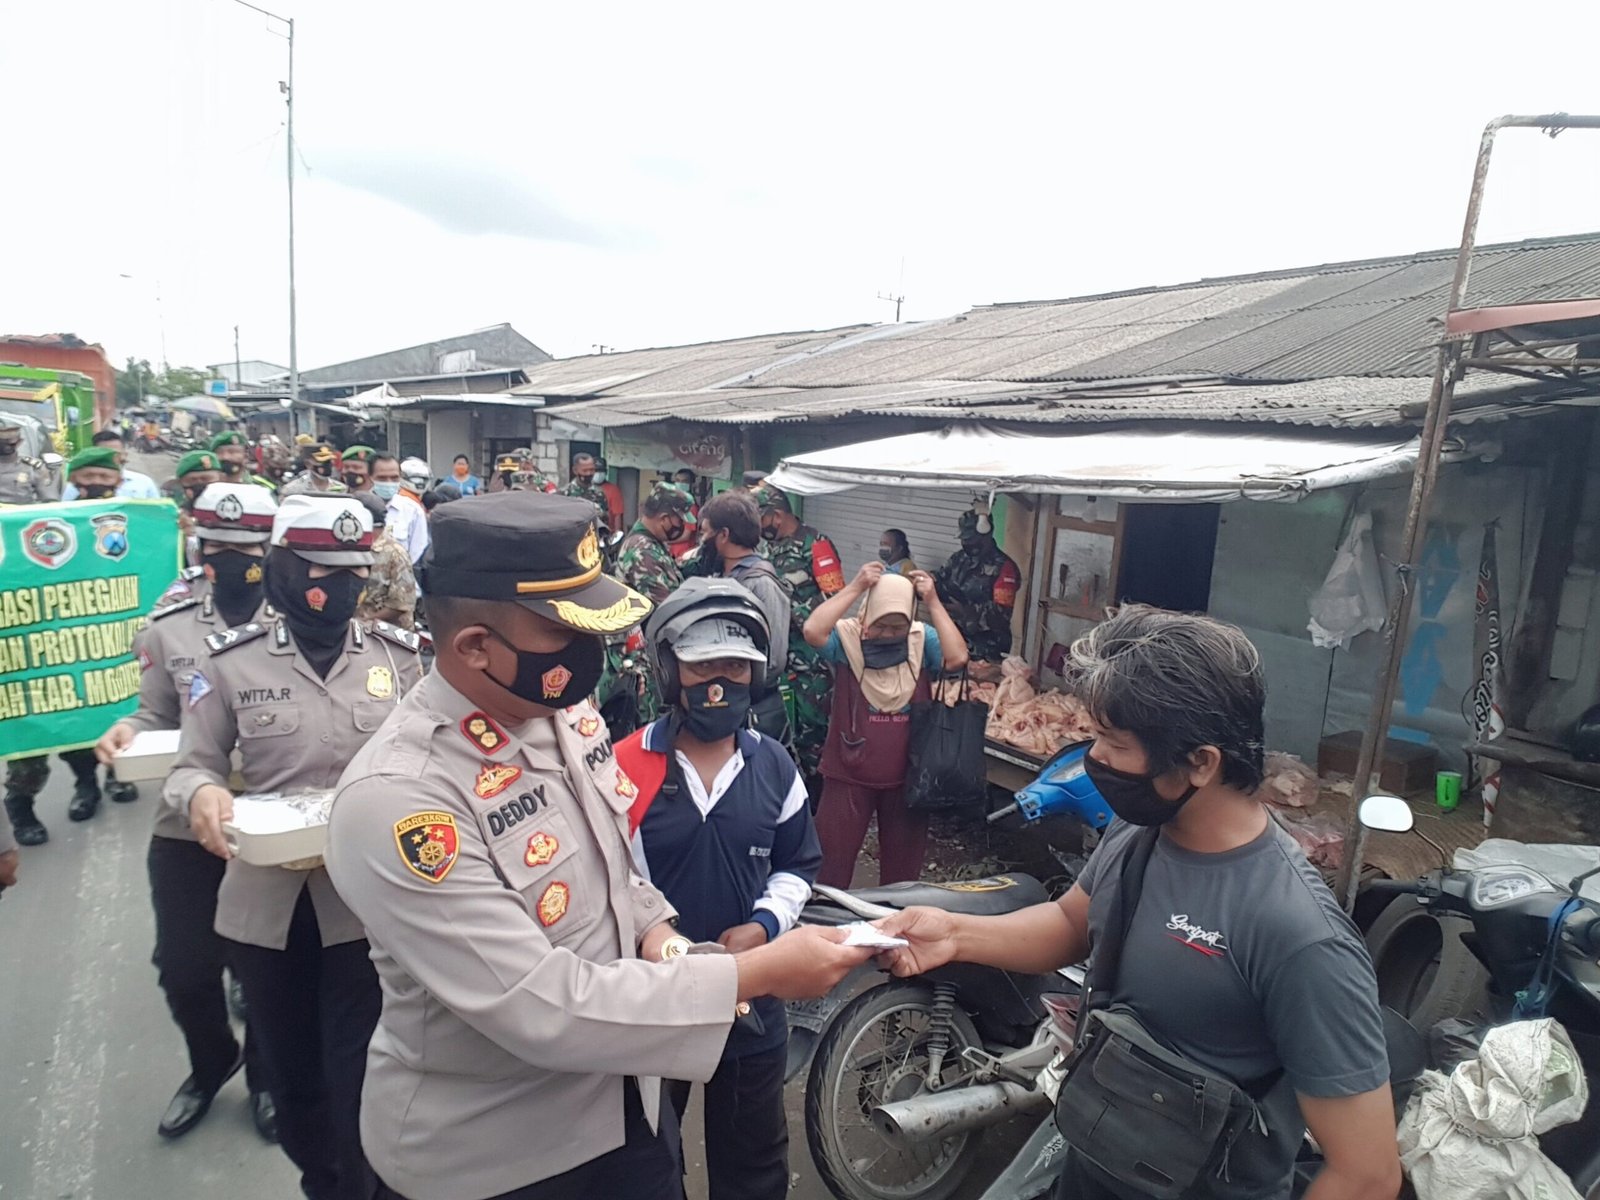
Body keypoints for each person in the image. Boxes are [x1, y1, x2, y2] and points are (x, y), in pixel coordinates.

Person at [323, 492, 872, 1200]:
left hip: (629, 1103)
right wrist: (754, 975)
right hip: (501, 1158)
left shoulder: (562, 712)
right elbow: (538, 1003)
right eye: (566, 632)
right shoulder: (403, 800)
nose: (595, 655)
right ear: (474, 647)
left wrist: (664, 937)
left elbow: (615, 869)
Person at [876, 606, 1399, 1200]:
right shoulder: (1140, 828)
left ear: (1200, 763)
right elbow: (1071, 921)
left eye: (1112, 742)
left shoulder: (1299, 933)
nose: (1091, 758)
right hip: (1092, 1156)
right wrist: (953, 935)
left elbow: (1367, 1174)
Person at [166, 494, 425, 1200]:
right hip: (268, 909)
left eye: (347, 573)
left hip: (366, 905)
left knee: (362, 1073)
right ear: (280, 569)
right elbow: (193, 762)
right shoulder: (230, 663)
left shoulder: (398, 660)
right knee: (294, 1078)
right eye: (314, 570)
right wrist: (202, 796)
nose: (330, 588)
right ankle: (323, 1180)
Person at [618, 578, 822, 1200]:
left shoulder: (775, 766)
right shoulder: (624, 766)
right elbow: (606, 878)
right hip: (653, 1005)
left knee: (754, 1161)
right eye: (702, 663)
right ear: (668, 670)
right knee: (649, 1158)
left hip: (751, 1002)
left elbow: (797, 865)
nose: (719, 681)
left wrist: (763, 926)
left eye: (734, 665)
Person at [94, 482, 279, 1142]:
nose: (231, 559)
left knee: (264, 967)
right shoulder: (169, 629)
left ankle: (266, 1077)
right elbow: (155, 714)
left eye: (246, 549)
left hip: (271, 826)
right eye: (218, 547)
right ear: (200, 548)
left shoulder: (300, 628)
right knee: (183, 969)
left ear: (269, 550)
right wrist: (126, 730)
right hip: (184, 825)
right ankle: (211, 1062)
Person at [2, 446, 142, 847]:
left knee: (111, 711)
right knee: (38, 729)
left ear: (117, 480)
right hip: (47, 644)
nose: (96, 484)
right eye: (89, 477)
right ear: (74, 481)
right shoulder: (42, 520)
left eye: (105, 477)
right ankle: (21, 805)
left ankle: (95, 784)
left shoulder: (131, 520)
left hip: (111, 643)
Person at [803, 564, 966, 887]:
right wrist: (855, 587)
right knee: (829, 868)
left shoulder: (921, 641)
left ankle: (895, 926)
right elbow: (812, 631)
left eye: (897, 627)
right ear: (866, 618)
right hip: (848, 771)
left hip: (907, 775)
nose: (889, 635)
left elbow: (957, 657)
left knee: (902, 875)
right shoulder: (847, 640)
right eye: (880, 626)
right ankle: (825, 928)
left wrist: (932, 601)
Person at [756, 486, 845, 769]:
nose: (758, 527)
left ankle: (816, 796)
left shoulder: (815, 544)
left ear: (777, 515)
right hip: (781, 658)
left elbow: (836, 599)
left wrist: (792, 610)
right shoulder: (767, 547)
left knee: (813, 730)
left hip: (811, 661)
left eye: (761, 519)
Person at [699, 490, 790, 741]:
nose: (702, 540)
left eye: (706, 532)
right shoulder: (723, 577)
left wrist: (734, 682)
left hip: (752, 714)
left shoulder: (761, 584)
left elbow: (773, 661)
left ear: (724, 535)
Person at [932, 508, 1021, 663]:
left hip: (986, 648)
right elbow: (942, 579)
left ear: (986, 535)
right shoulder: (959, 558)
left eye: (970, 538)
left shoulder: (1004, 568)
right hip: (955, 639)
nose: (965, 543)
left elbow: (1001, 613)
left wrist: (966, 613)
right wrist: (929, 580)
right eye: (963, 539)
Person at [353, 491, 419, 629]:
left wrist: (364, 623)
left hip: (388, 636)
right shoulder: (353, 548)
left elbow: (400, 605)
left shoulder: (395, 554)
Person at [61, 427, 161, 499]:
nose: (109, 458)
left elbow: (157, 515)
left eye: (115, 453)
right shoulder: (74, 486)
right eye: (103, 453)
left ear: (125, 455)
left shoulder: (144, 482)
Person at [372, 453, 430, 564]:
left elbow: (418, 553)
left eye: (394, 478)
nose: (389, 482)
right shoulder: (359, 507)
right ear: (370, 477)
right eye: (382, 478)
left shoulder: (413, 511)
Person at [0, 416, 59, 503]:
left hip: (19, 514)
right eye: (2, 442)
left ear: (19, 442)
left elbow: (50, 501)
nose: (6, 446)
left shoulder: (33, 468)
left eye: (9, 443)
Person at [209, 430, 275, 491]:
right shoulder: (206, 488)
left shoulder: (263, 488)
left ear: (246, 456)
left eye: (232, 452)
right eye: (219, 453)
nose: (226, 457)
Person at [280, 443, 350, 497]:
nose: (327, 465)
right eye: (322, 462)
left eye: (329, 461)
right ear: (308, 464)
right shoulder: (293, 489)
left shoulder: (342, 489)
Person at [564, 452, 609, 522]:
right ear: (575, 470)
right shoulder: (564, 494)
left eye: (592, 470)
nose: (589, 473)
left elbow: (605, 519)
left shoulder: (599, 493)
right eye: (585, 470)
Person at [595, 457, 625, 531]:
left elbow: (617, 516)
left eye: (601, 471)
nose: (598, 474)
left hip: (606, 533)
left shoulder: (613, 490)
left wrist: (617, 535)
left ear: (606, 472)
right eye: (596, 471)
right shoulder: (584, 489)